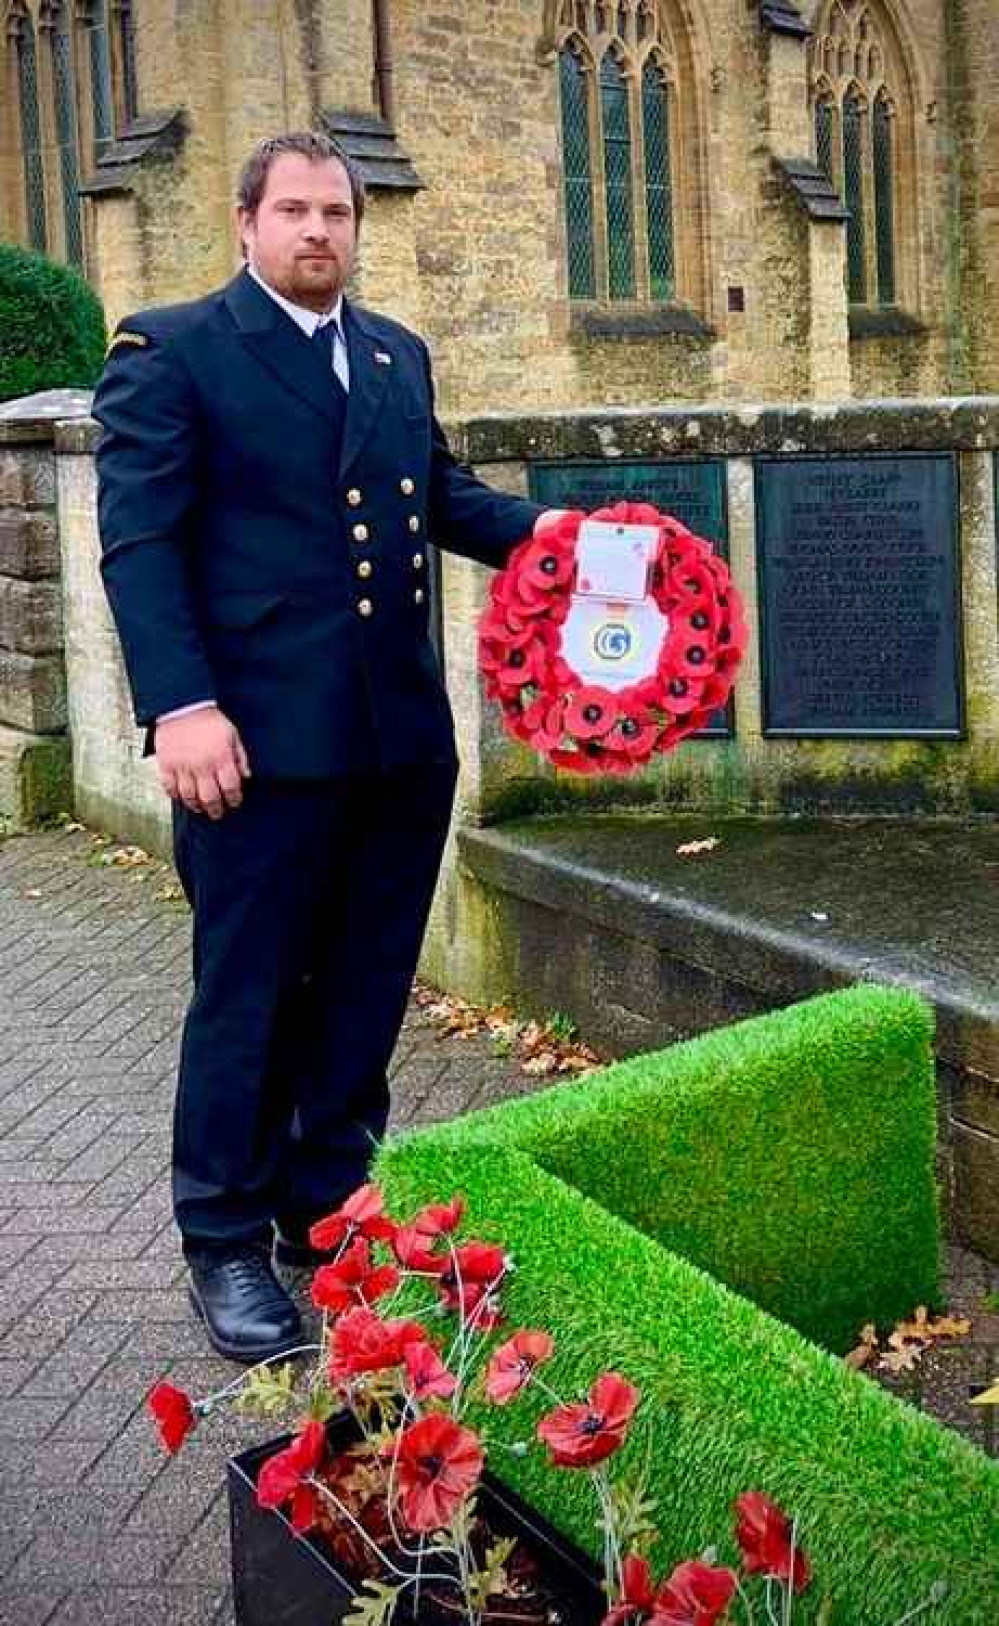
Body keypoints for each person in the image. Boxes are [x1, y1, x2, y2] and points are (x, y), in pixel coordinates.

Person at [94, 131, 556, 1363]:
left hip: (396, 740)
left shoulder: (396, 354)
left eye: (337, 213)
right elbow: (141, 545)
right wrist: (180, 706)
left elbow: (442, 495)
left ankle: (325, 1207)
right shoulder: (175, 351)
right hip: (256, 748)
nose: (319, 232)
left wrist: (558, 536)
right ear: (245, 224)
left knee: (361, 988)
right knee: (250, 994)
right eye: (294, 210)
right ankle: (225, 1235)